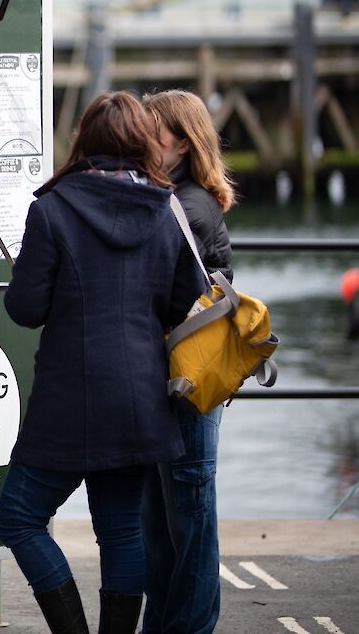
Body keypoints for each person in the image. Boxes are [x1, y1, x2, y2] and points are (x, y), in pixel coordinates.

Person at [0, 91, 203, 634]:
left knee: (18, 516)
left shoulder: (53, 207)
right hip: (140, 398)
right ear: (140, 142)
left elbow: (25, 309)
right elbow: (186, 299)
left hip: (69, 397)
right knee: (121, 532)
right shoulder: (166, 207)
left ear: (83, 140)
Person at [139, 89, 235, 634]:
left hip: (188, 382)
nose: (143, 137)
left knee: (190, 518)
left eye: (153, 128)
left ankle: (190, 627)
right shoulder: (180, 198)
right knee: (166, 517)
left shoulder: (186, 209)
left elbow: (155, 288)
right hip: (181, 378)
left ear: (182, 140)